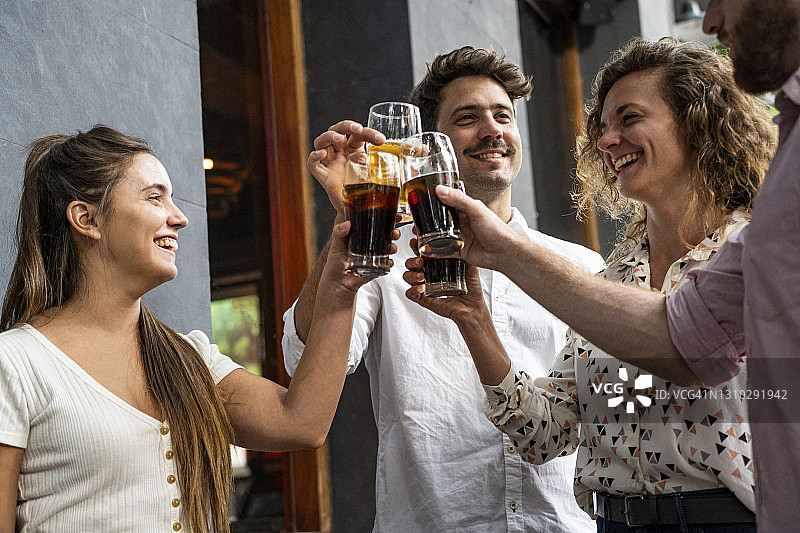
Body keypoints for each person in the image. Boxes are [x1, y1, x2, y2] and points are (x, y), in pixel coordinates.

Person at [425, 2, 800, 529]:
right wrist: (473, 319)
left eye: (629, 118)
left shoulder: (759, 249)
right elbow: (546, 433)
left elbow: (724, 369)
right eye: (601, 127)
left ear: (698, 121)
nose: (605, 140)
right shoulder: (611, 279)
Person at [281, 47, 604, 531]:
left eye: (503, 116)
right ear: (430, 146)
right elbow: (300, 358)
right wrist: (350, 218)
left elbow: (606, 404)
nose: (492, 129)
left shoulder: (580, 266)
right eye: (468, 118)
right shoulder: (385, 258)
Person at [0, 125, 378, 533]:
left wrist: (345, 272)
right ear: (87, 219)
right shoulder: (16, 363)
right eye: (154, 197)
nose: (179, 218)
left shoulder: (188, 358)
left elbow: (301, 422)